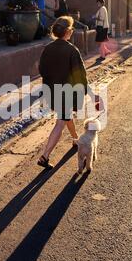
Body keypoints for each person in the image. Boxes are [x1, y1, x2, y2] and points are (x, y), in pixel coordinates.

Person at [38, 16, 88, 169]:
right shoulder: (72, 50)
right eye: (71, 29)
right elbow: (80, 75)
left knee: (65, 116)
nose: (72, 32)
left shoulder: (47, 49)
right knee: (60, 122)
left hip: (51, 91)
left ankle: (75, 139)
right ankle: (45, 156)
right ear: (67, 32)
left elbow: (42, 70)